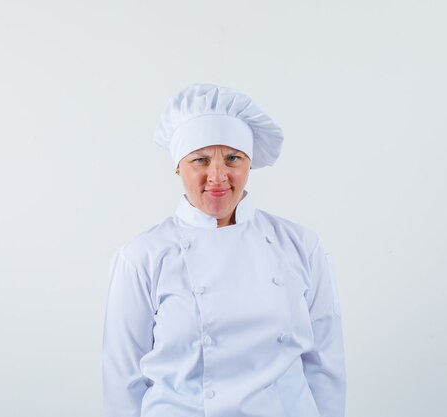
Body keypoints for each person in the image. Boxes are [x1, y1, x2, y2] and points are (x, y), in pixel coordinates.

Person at [102, 84, 346, 417]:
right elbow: (122, 384)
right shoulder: (142, 257)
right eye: (200, 160)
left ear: (249, 163)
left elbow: (325, 366)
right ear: (178, 166)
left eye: (233, 158)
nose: (217, 177)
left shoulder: (300, 245)